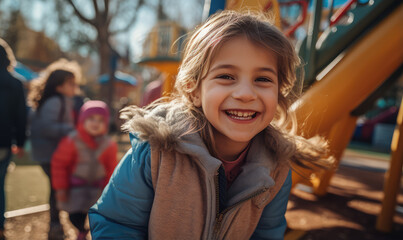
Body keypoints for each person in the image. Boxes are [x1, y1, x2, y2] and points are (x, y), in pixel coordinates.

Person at [89, 10, 331, 239]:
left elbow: (266, 234)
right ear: (193, 91)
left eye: (263, 79)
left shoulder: (276, 167)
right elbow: (116, 224)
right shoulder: (155, 153)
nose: (246, 93)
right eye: (226, 76)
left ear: (279, 93)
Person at [28, 59, 80, 240]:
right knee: (56, 189)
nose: (75, 88)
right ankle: (56, 225)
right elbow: (46, 127)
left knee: (56, 189)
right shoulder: (56, 101)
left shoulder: (57, 100)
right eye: (71, 84)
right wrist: (71, 131)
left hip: (49, 153)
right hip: (50, 154)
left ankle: (57, 224)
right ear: (59, 86)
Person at [51, 100, 117, 240]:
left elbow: (111, 168)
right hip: (76, 188)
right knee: (74, 215)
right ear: (82, 120)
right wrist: (62, 188)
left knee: (97, 215)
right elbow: (59, 165)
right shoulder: (72, 141)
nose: (95, 123)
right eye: (91, 119)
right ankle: (81, 230)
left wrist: (109, 189)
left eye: (100, 120)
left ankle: (93, 233)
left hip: (97, 188)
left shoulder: (108, 144)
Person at [0, 39, 27, 240]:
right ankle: (0, 225)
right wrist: (20, 141)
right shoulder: (15, 83)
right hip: (3, 142)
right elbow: (21, 116)